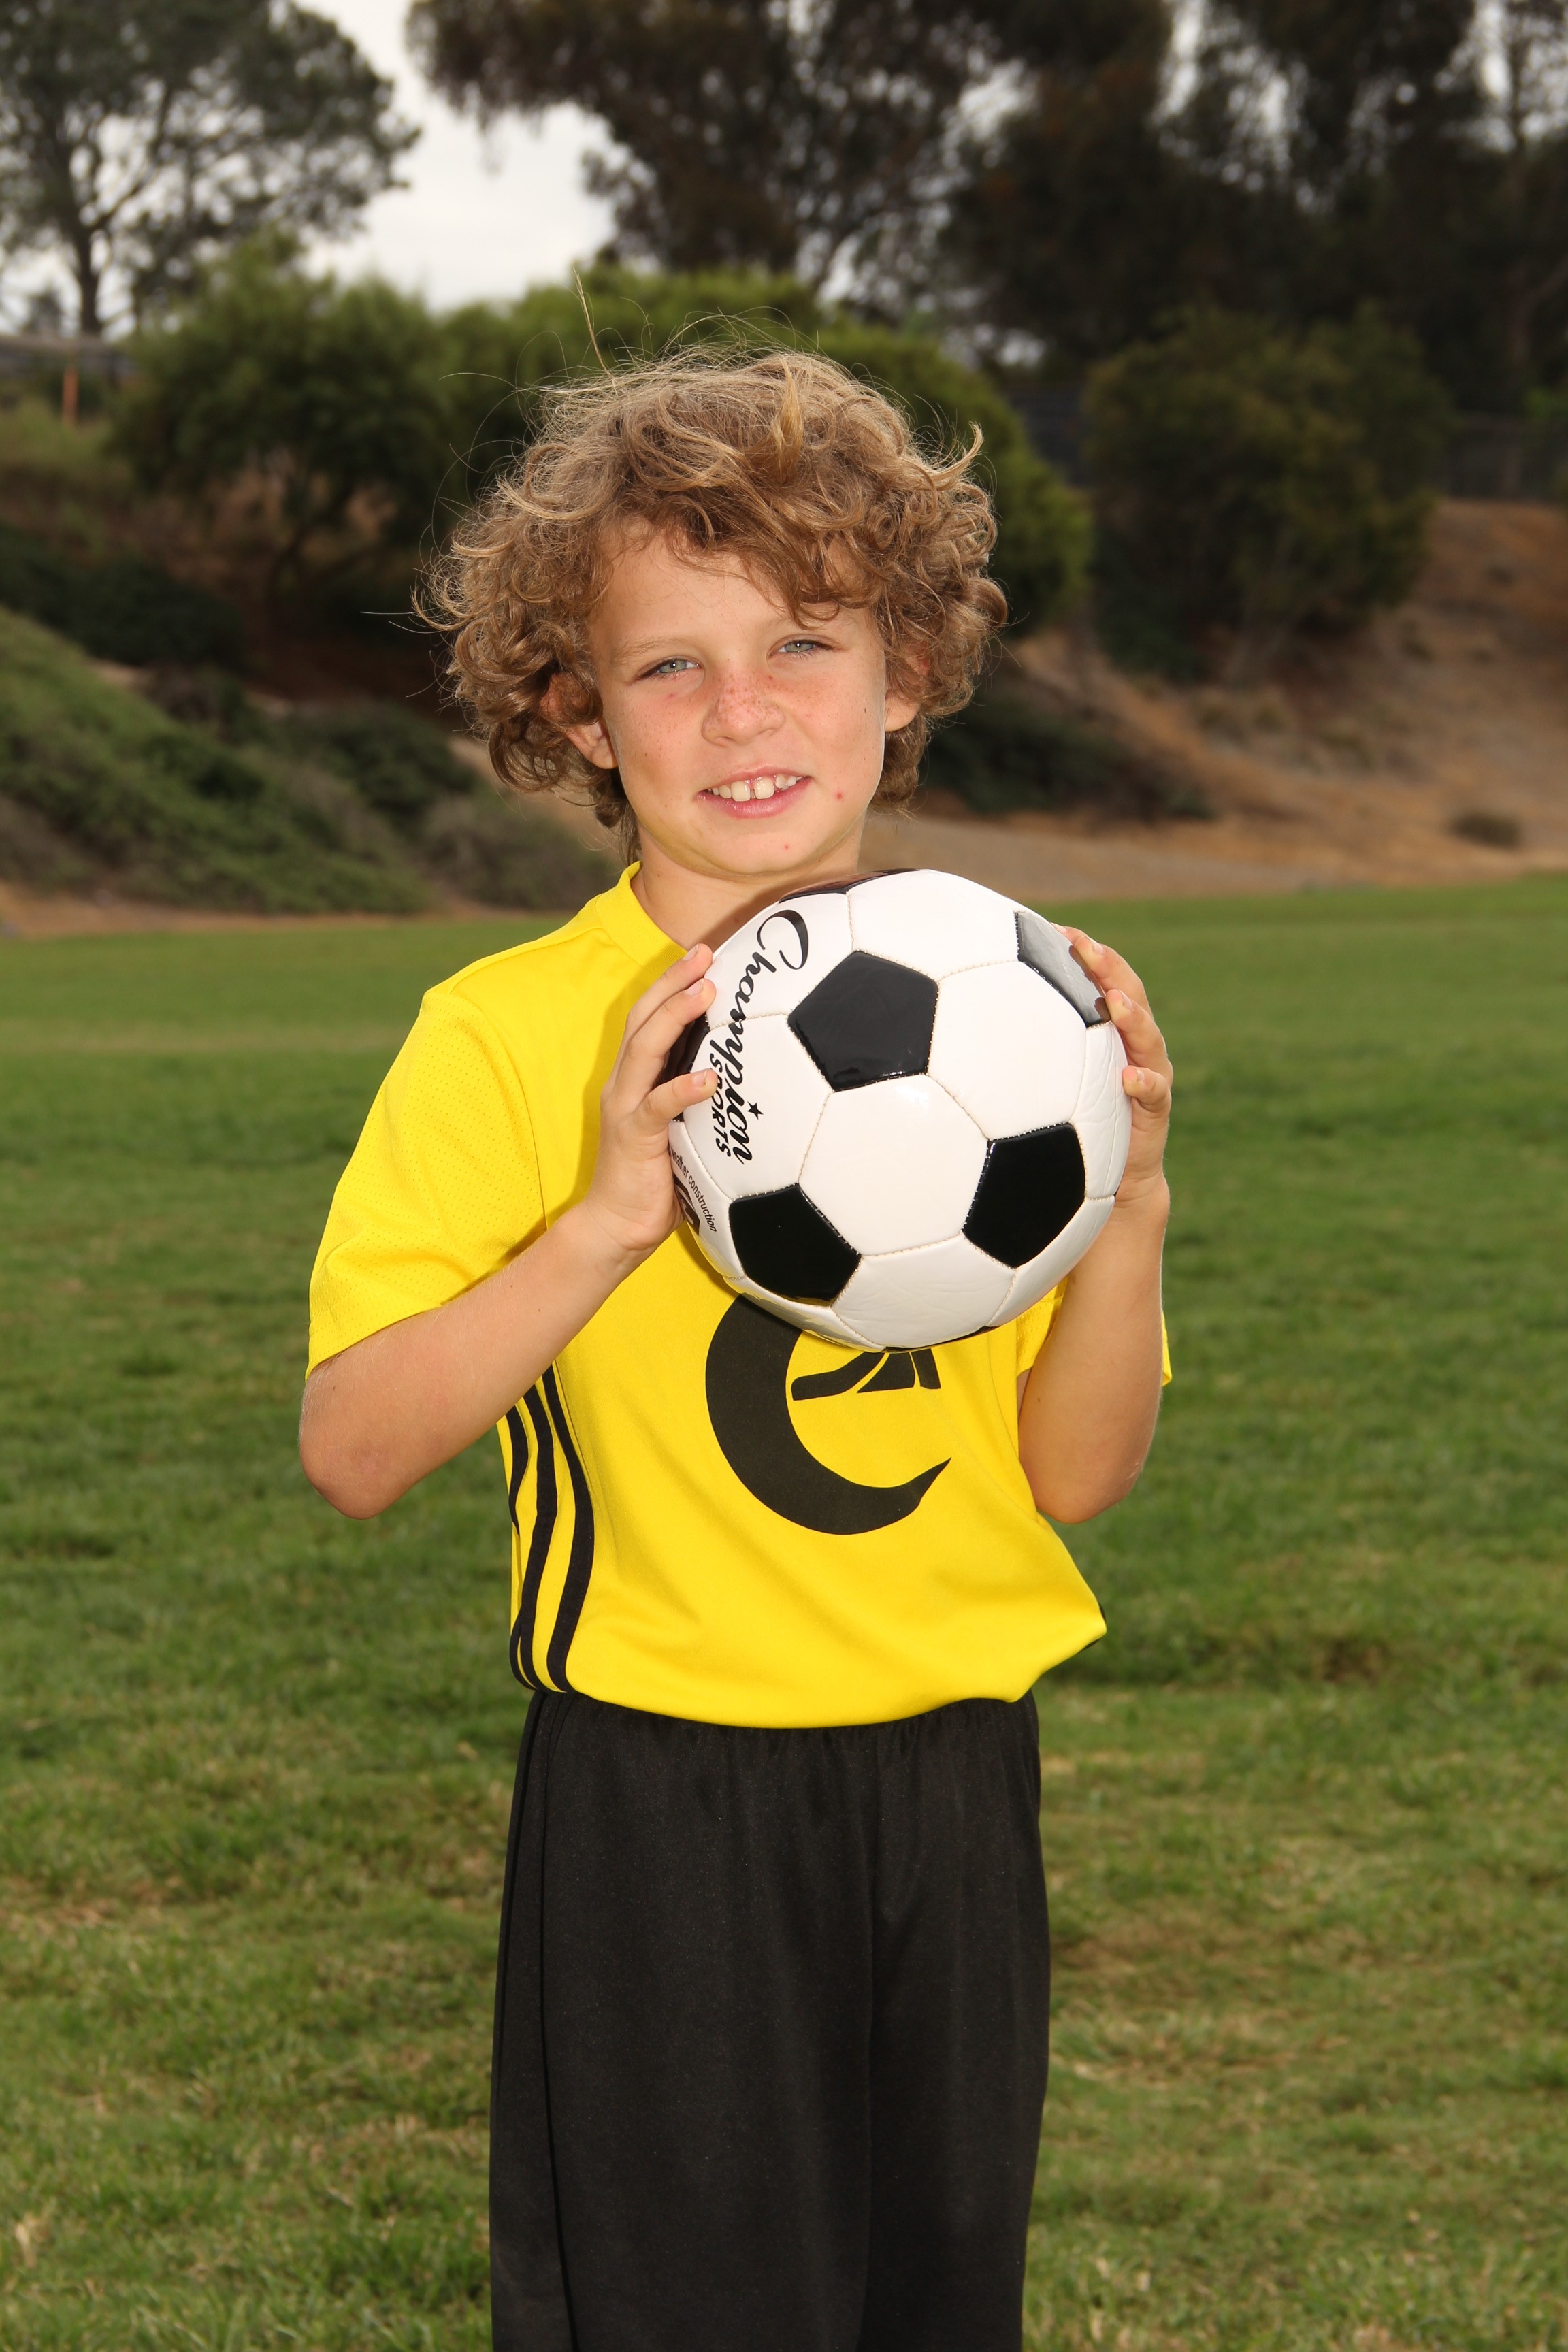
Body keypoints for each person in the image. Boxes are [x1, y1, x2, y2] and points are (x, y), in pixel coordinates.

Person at [300, 350, 1173, 2352]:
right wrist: (610, 1216)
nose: (744, 711)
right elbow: (353, 1448)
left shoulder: (1010, 1009)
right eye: (670, 666)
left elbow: (1076, 1477)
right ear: (577, 712)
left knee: (935, 2307)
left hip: (959, 1783)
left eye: (803, 642)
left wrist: (1126, 1204)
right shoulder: (503, 1038)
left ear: (908, 674)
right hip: (666, 1806)